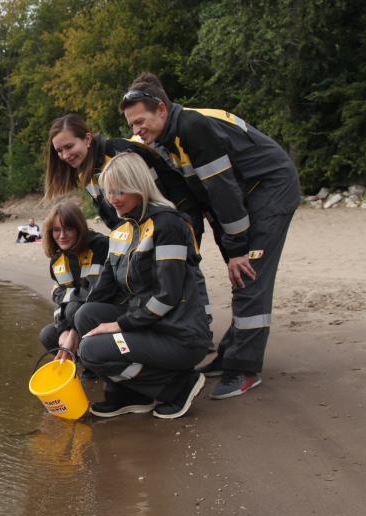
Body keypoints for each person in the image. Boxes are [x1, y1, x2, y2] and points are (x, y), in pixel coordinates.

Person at [120, 72, 302, 399]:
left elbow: (223, 191)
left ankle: (244, 369)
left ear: (161, 108)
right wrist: (220, 247)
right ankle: (231, 352)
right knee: (240, 269)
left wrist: (237, 250)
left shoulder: (191, 128)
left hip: (271, 188)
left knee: (248, 274)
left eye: (140, 121)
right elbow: (205, 199)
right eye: (131, 125)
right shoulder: (166, 138)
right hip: (244, 196)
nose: (136, 130)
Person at [71, 152, 211, 419]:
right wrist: (70, 335)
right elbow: (102, 291)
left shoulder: (168, 224)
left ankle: (176, 386)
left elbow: (168, 296)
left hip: (179, 335)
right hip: (150, 328)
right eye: (108, 192)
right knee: (84, 316)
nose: (112, 200)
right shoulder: (122, 232)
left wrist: (120, 325)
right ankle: (129, 394)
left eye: (120, 191)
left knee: (92, 350)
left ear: (139, 186)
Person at [45, 113, 218, 327]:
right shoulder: (85, 172)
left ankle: (201, 323)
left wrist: (170, 223)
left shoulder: (117, 154)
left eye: (69, 147)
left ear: (87, 139)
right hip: (141, 222)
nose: (65, 155)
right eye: (59, 151)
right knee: (150, 273)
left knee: (184, 268)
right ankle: (157, 320)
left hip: (177, 212)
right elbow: (110, 210)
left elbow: (152, 193)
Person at [38, 201, 109, 362]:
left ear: (79, 228)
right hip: (78, 313)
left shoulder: (99, 246)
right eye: (56, 230)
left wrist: (73, 332)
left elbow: (94, 292)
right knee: (48, 335)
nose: (62, 235)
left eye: (68, 228)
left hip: (105, 309)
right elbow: (61, 303)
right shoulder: (57, 261)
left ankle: (96, 362)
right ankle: (83, 367)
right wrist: (63, 329)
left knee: (73, 309)